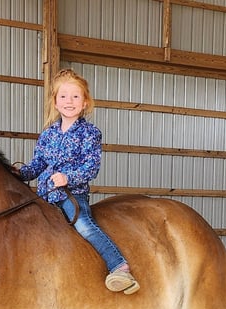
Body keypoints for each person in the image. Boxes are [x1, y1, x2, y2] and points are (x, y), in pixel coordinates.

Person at [16, 69, 140, 294]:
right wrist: (20, 173)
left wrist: (67, 178)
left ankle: (119, 266)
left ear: (85, 103)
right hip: (44, 196)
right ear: (55, 102)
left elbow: (91, 168)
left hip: (71, 196)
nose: (69, 101)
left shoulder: (90, 133)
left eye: (75, 97)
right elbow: (38, 164)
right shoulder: (48, 134)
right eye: (63, 96)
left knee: (85, 227)